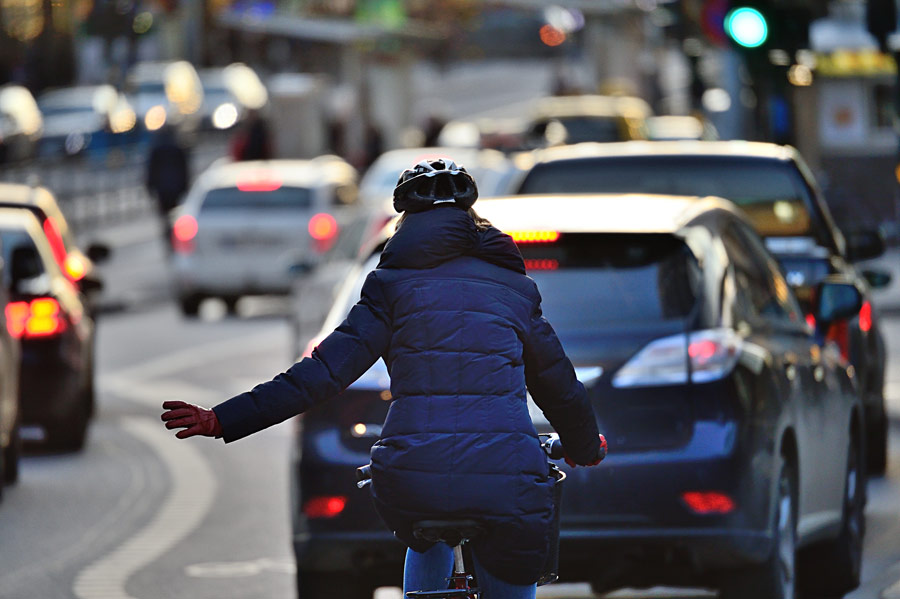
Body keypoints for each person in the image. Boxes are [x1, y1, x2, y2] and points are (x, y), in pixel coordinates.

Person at [160, 158, 604, 598]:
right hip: (507, 474)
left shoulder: (389, 286)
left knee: (426, 528)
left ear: (406, 222)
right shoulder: (514, 290)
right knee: (512, 544)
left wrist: (224, 419)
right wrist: (584, 446)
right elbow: (559, 386)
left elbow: (319, 375)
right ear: (472, 218)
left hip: (414, 474)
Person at [145, 124, 189, 244]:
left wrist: (149, 187)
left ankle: (169, 238)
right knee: (176, 216)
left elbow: (150, 170)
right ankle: (175, 238)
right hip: (176, 188)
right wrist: (186, 186)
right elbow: (184, 170)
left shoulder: (156, 149)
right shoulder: (178, 148)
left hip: (162, 189)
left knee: (165, 217)